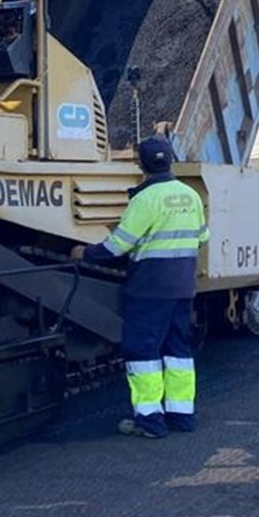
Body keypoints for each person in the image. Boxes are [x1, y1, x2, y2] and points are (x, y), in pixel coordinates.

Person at [74, 136, 209, 439]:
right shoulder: (189, 195)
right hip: (182, 288)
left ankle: (150, 421)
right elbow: (202, 236)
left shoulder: (145, 200)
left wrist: (84, 253)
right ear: (170, 160)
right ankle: (182, 416)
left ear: (141, 165)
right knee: (178, 353)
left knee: (143, 352)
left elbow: (118, 246)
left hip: (150, 289)